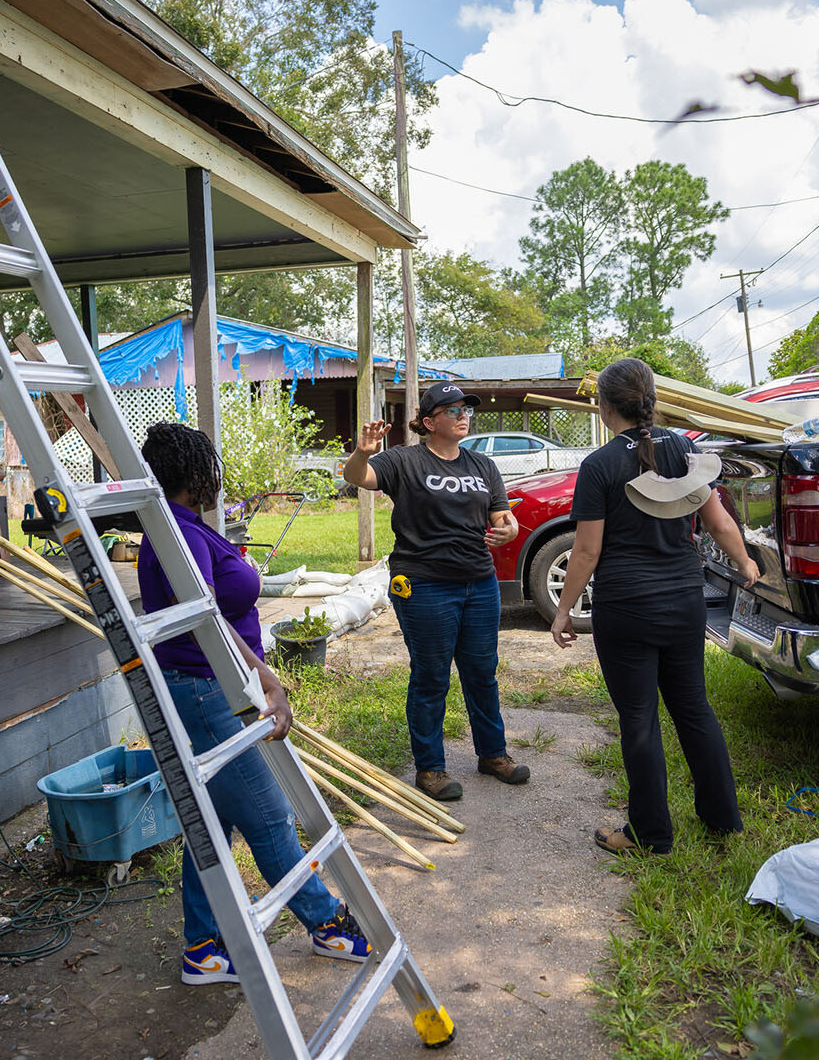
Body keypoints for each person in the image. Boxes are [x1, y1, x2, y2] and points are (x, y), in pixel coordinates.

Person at [134, 422, 370, 985]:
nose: (216, 478)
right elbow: (208, 623)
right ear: (193, 473)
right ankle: (326, 922)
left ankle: (202, 945)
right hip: (207, 688)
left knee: (214, 824)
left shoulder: (186, 528)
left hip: (212, 687)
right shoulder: (179, 536)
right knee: (269, 816)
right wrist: (267, 676)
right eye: (210, 467)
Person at [548, 358, 761, 855]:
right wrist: (746, 563)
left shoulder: (599, 466)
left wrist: (563, 609)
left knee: (639, 717)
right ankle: (723, 820)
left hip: (627, 608)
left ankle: (651, 835)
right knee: (693, 708)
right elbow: (718, 521)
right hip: (684, 600)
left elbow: (586, 551)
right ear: (652, 401)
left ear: (603, 408)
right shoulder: (684, 449)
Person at [342, 381, 528, 803]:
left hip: (479, 584)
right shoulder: (403, 461)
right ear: (429, 422)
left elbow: (503, 516)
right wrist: (363, 451)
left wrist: (509, 529)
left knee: (482, 672)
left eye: (466, 409)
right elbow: (360, 478)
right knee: (431, 677)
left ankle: (493, 754)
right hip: (424, 585)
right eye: (452, 409)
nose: (463, 415)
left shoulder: (483, 466)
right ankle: (430, 767)